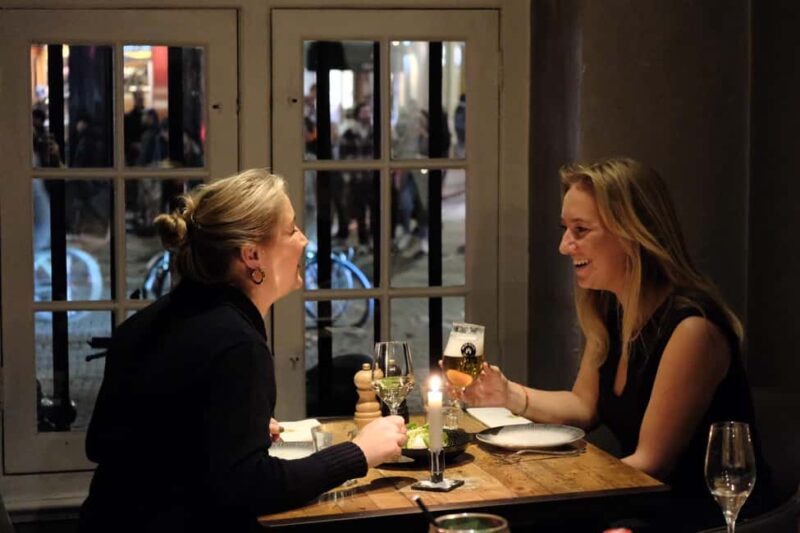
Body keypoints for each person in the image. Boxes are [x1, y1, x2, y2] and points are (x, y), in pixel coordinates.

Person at [79, 169, 407, 533]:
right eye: (291, 230)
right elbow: (251, 487)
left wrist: (216, 428)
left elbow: (104, 442)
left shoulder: (146, 322)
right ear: (252, 255)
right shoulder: (237, 343)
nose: (303, 240)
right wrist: (359, 452)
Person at [458, 157, 773, 531]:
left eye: (580, 230)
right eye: (565, 229)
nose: (564, 246)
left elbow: (652, 463)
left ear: (631, 234)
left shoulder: (692, 329)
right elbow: (584, 406)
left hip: (704, 519)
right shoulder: (612, 310)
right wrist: (508, 394)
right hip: (639, 504)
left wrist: (548, 488)